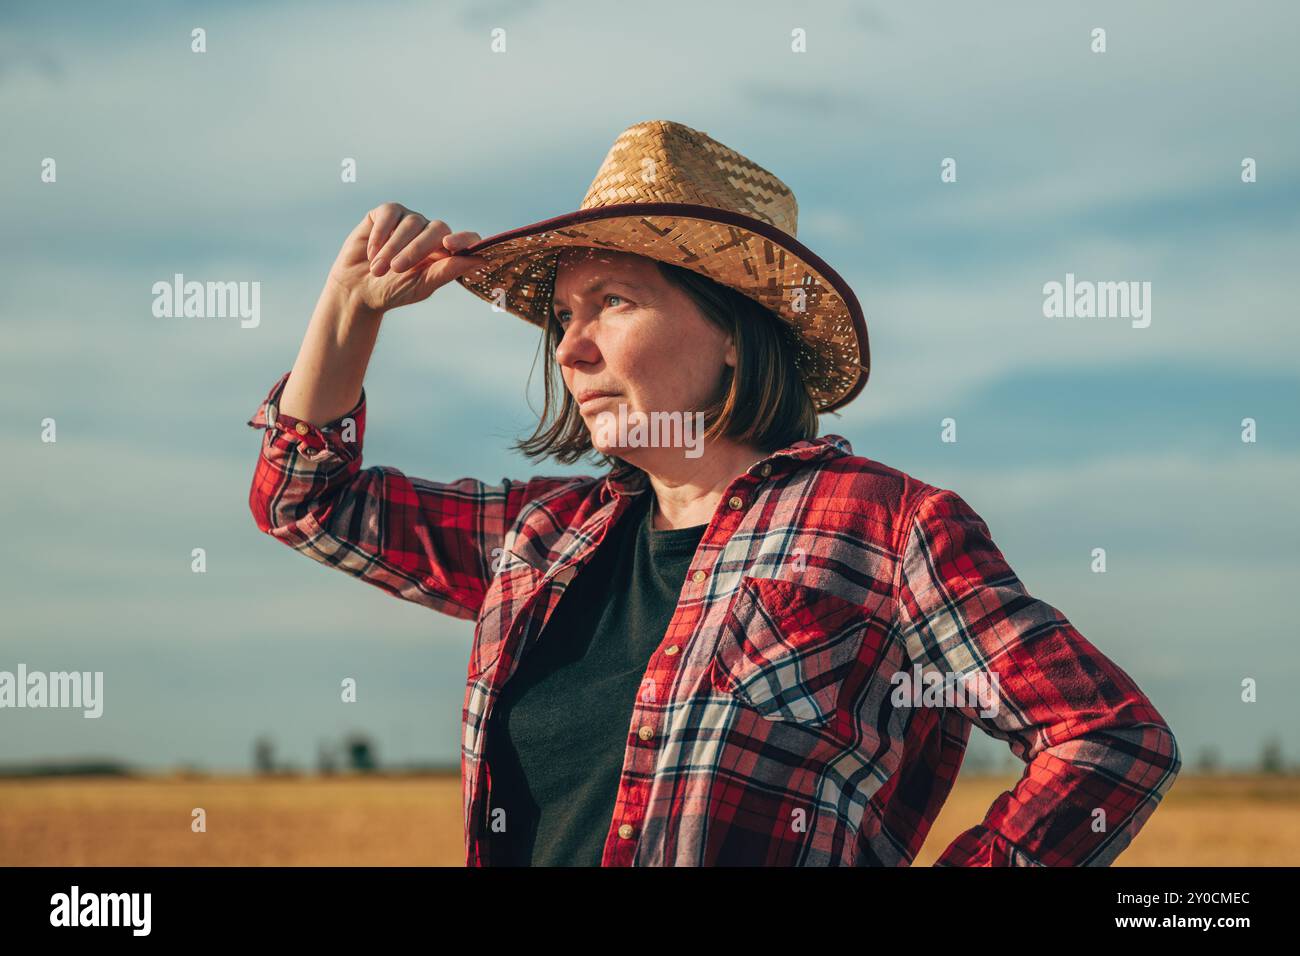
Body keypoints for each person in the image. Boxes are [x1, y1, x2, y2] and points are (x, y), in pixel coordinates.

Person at [246, 120, 1180, 866]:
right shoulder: (541, 539)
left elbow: (1108, 739)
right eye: (563, 316)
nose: (571, 347)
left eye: (612, 301)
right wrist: (349, 306)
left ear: (735, 331)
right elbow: (306, 499)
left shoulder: (884, 528)